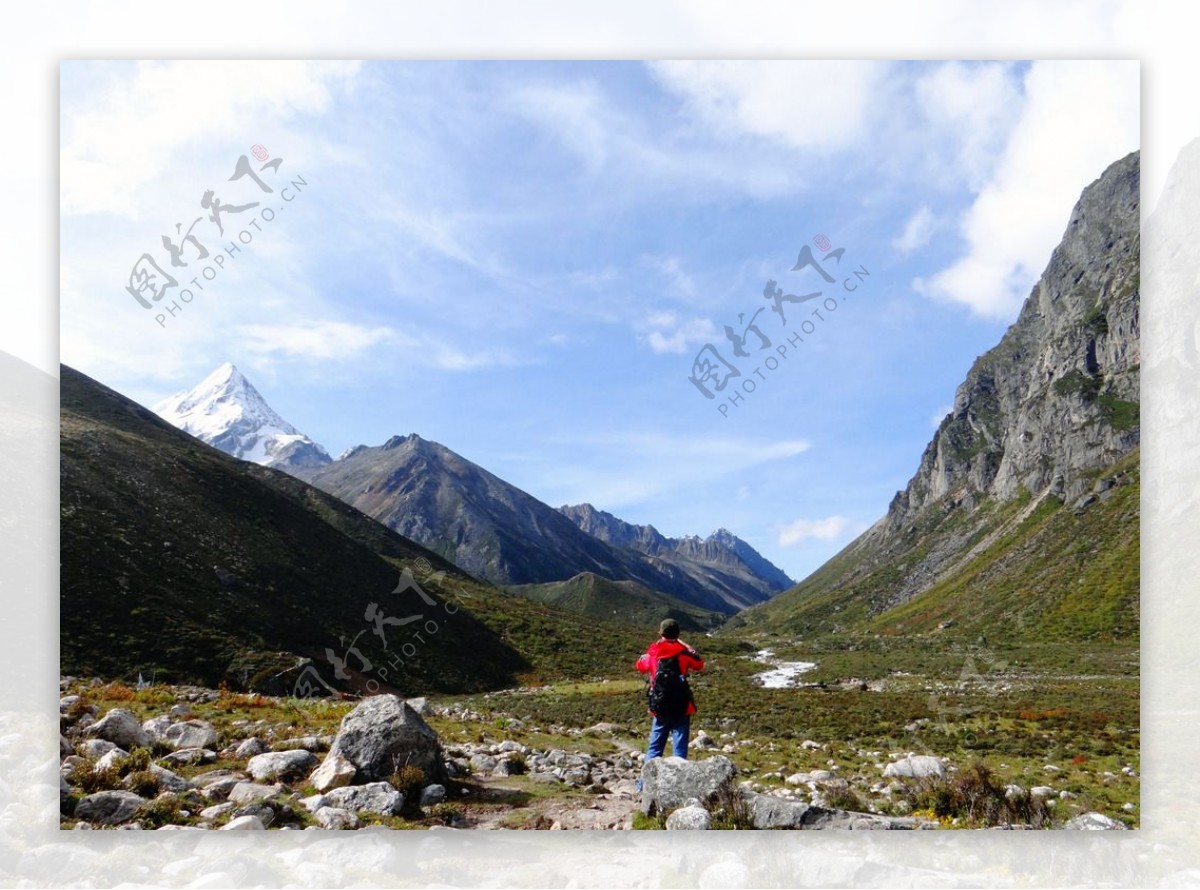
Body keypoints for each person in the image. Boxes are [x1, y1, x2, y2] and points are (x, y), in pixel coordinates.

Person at [636, 618, 705, 764]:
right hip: (682, 706)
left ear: (660, 633)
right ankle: (678, 784)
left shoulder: (652, 654)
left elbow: (640, 666)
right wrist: (687, 646)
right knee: (679, 751)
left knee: (654, 749)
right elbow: (699, 664)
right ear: (678, 634)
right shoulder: (684, 654)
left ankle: (643, 784)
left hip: (660, 706)